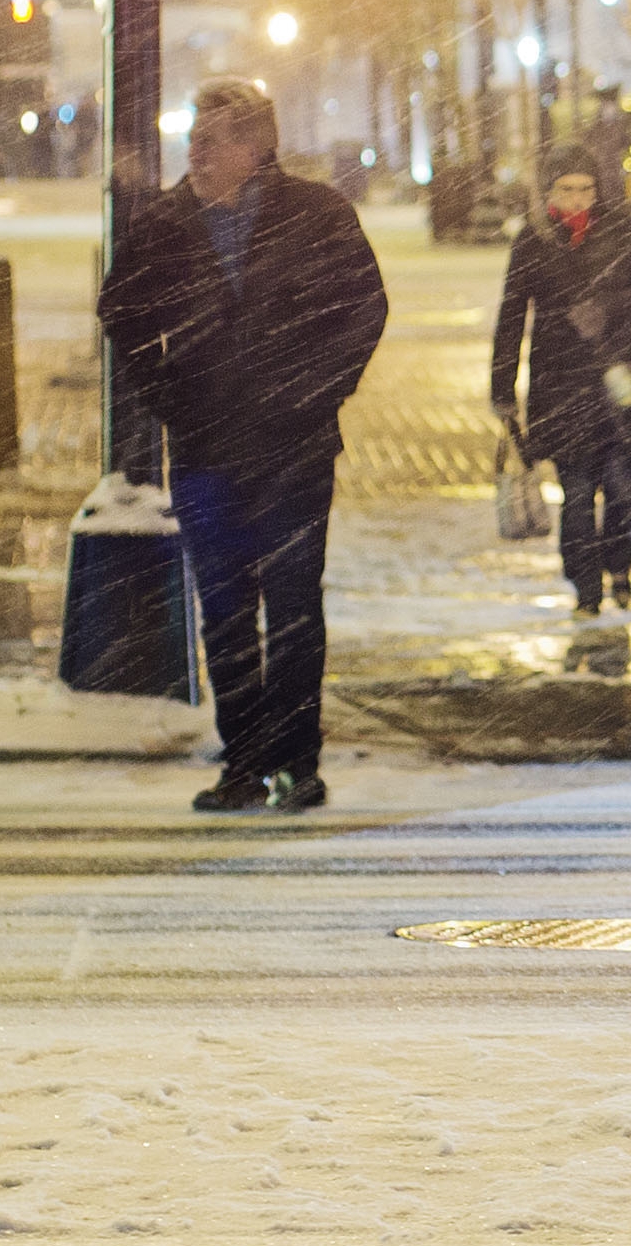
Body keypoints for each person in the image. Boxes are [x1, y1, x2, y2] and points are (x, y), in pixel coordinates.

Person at [96, 78, 389, 815]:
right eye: (193, 137)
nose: (196, 151)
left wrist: (318, 391)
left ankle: (298, 764)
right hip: (205, 451)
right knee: (224, 611)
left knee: (293, 609)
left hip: (294, 448)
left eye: (214, 138)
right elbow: (119, 312)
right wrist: (169, 396)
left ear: (258, 148)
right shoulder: (166, 222)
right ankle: (244, 765)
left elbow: (366, 306)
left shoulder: (316, 214)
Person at [491, 142, 631, 613]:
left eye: (586, 189)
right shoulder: (533, 239)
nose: (577, 200)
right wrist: (502, 390)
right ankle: (585, 586)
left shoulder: (622, 229)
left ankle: (620, 567)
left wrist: (608, 308)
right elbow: (511, 316)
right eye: (567, 190)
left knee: (622, 486)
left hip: (616, 378)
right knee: (576, 493)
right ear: (550, 191)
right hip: (558, 381)